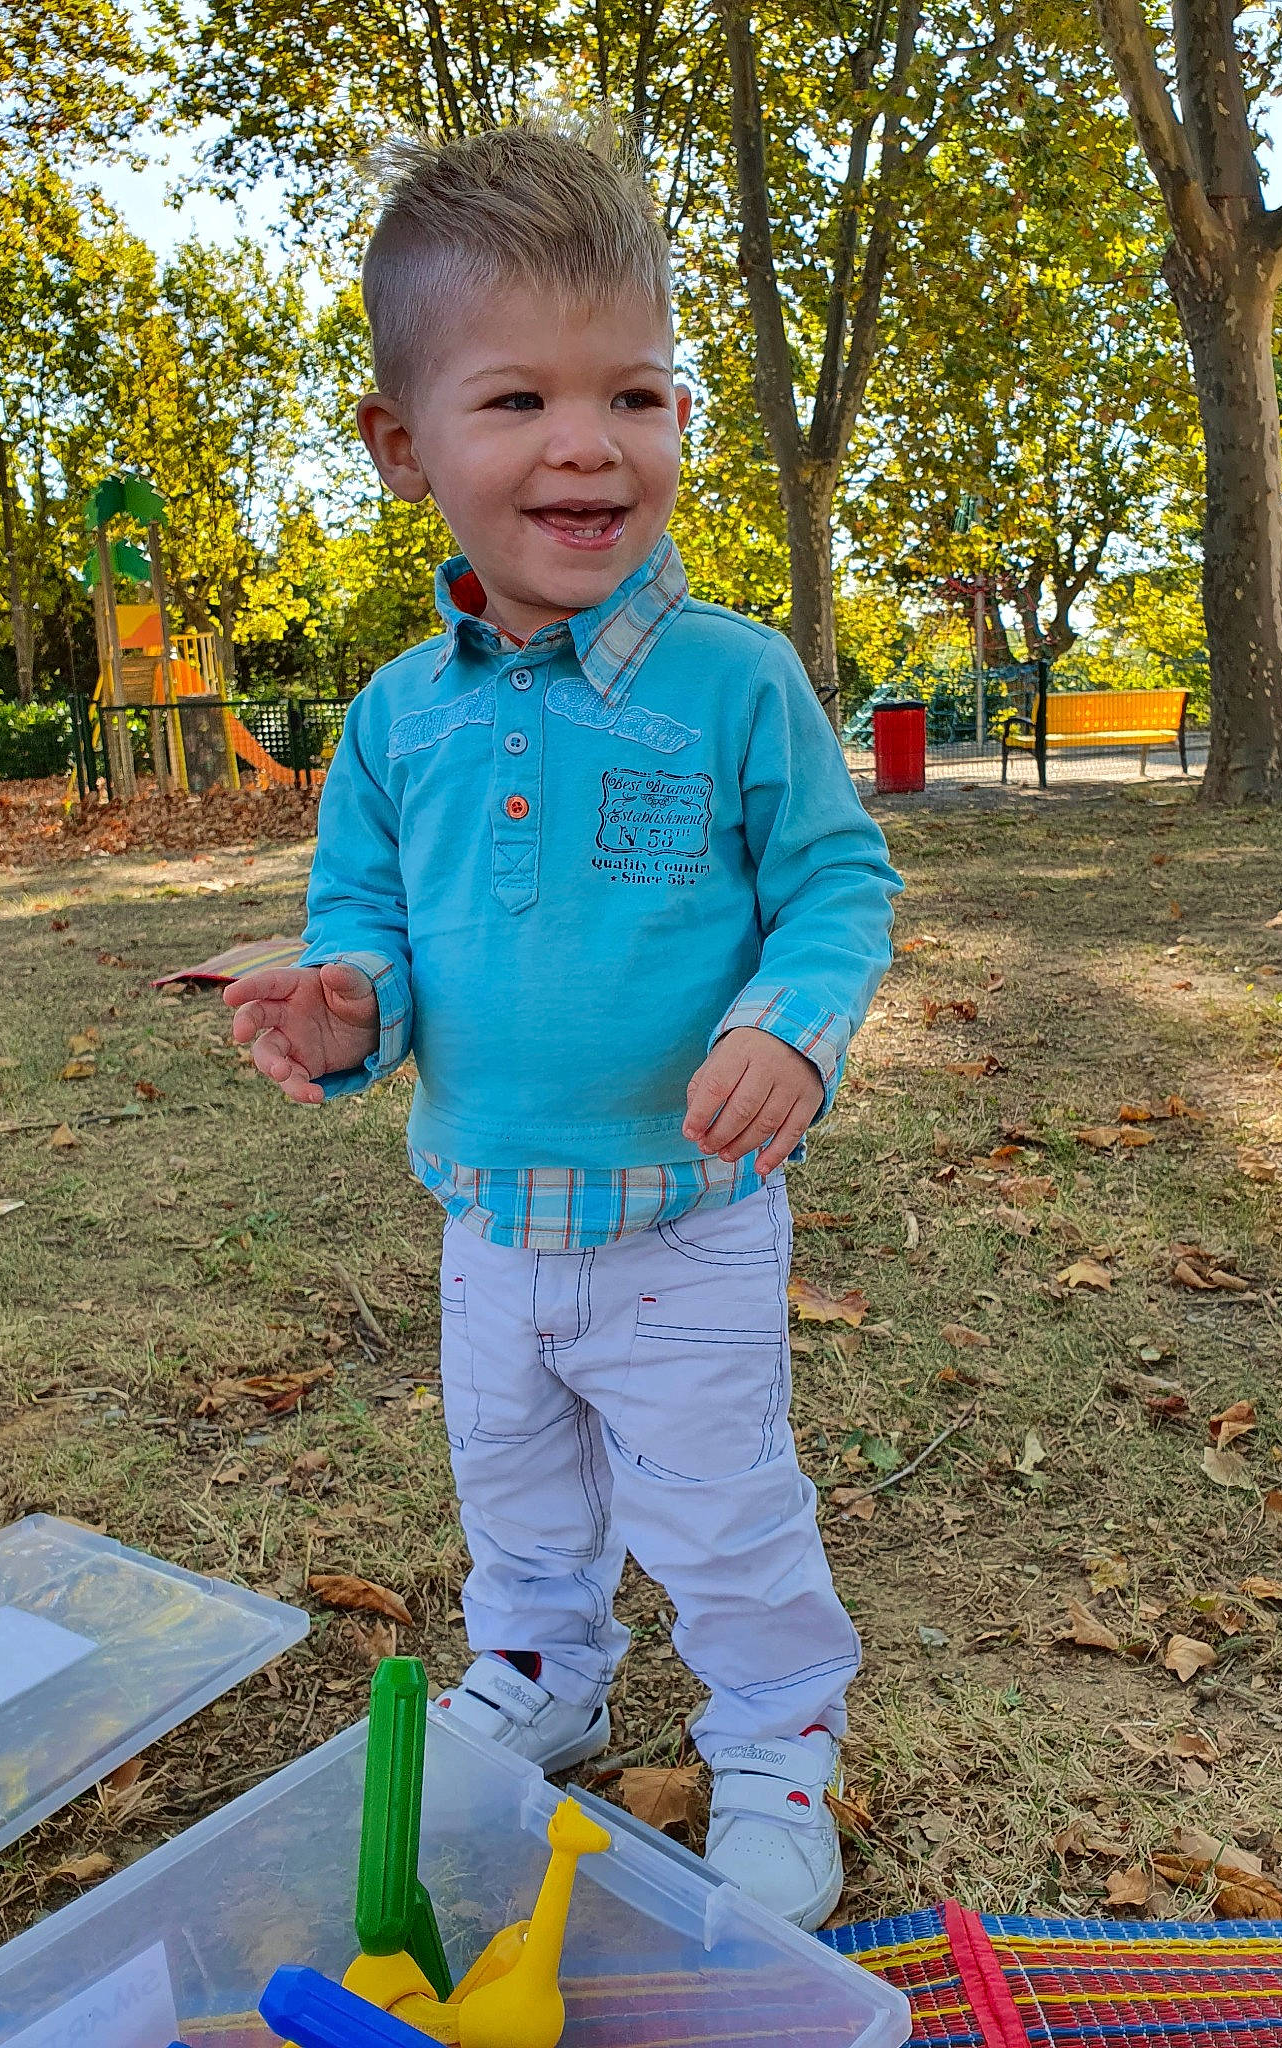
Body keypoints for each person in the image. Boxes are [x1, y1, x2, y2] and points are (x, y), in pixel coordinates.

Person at [226, 122, 902, 1930]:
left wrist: (792, 1022)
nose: (590, 443)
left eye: (640, 396)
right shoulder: (393, 720)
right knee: (515, 1484)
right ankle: (545, 1671)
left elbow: (840, 886)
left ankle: (774, 1737)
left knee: (717, 1504)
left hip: (684, 1214)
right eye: (518, 398)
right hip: (481, 1219)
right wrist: (341, 1005)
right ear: (406, 446)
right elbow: (367, 938)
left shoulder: (735, 679)